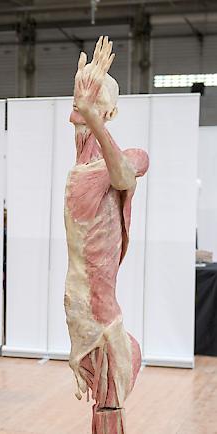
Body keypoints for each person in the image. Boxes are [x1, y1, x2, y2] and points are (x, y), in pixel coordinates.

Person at [64, 36, 149, 433]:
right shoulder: (78, 171)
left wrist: (92, 117)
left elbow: (124, 175)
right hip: (77, 306)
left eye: (90, 108)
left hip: (101, 313)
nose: (76, 118)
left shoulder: (126, 158)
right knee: (99, 403)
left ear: (109, 112)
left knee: (109, 403)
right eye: (75, 106)